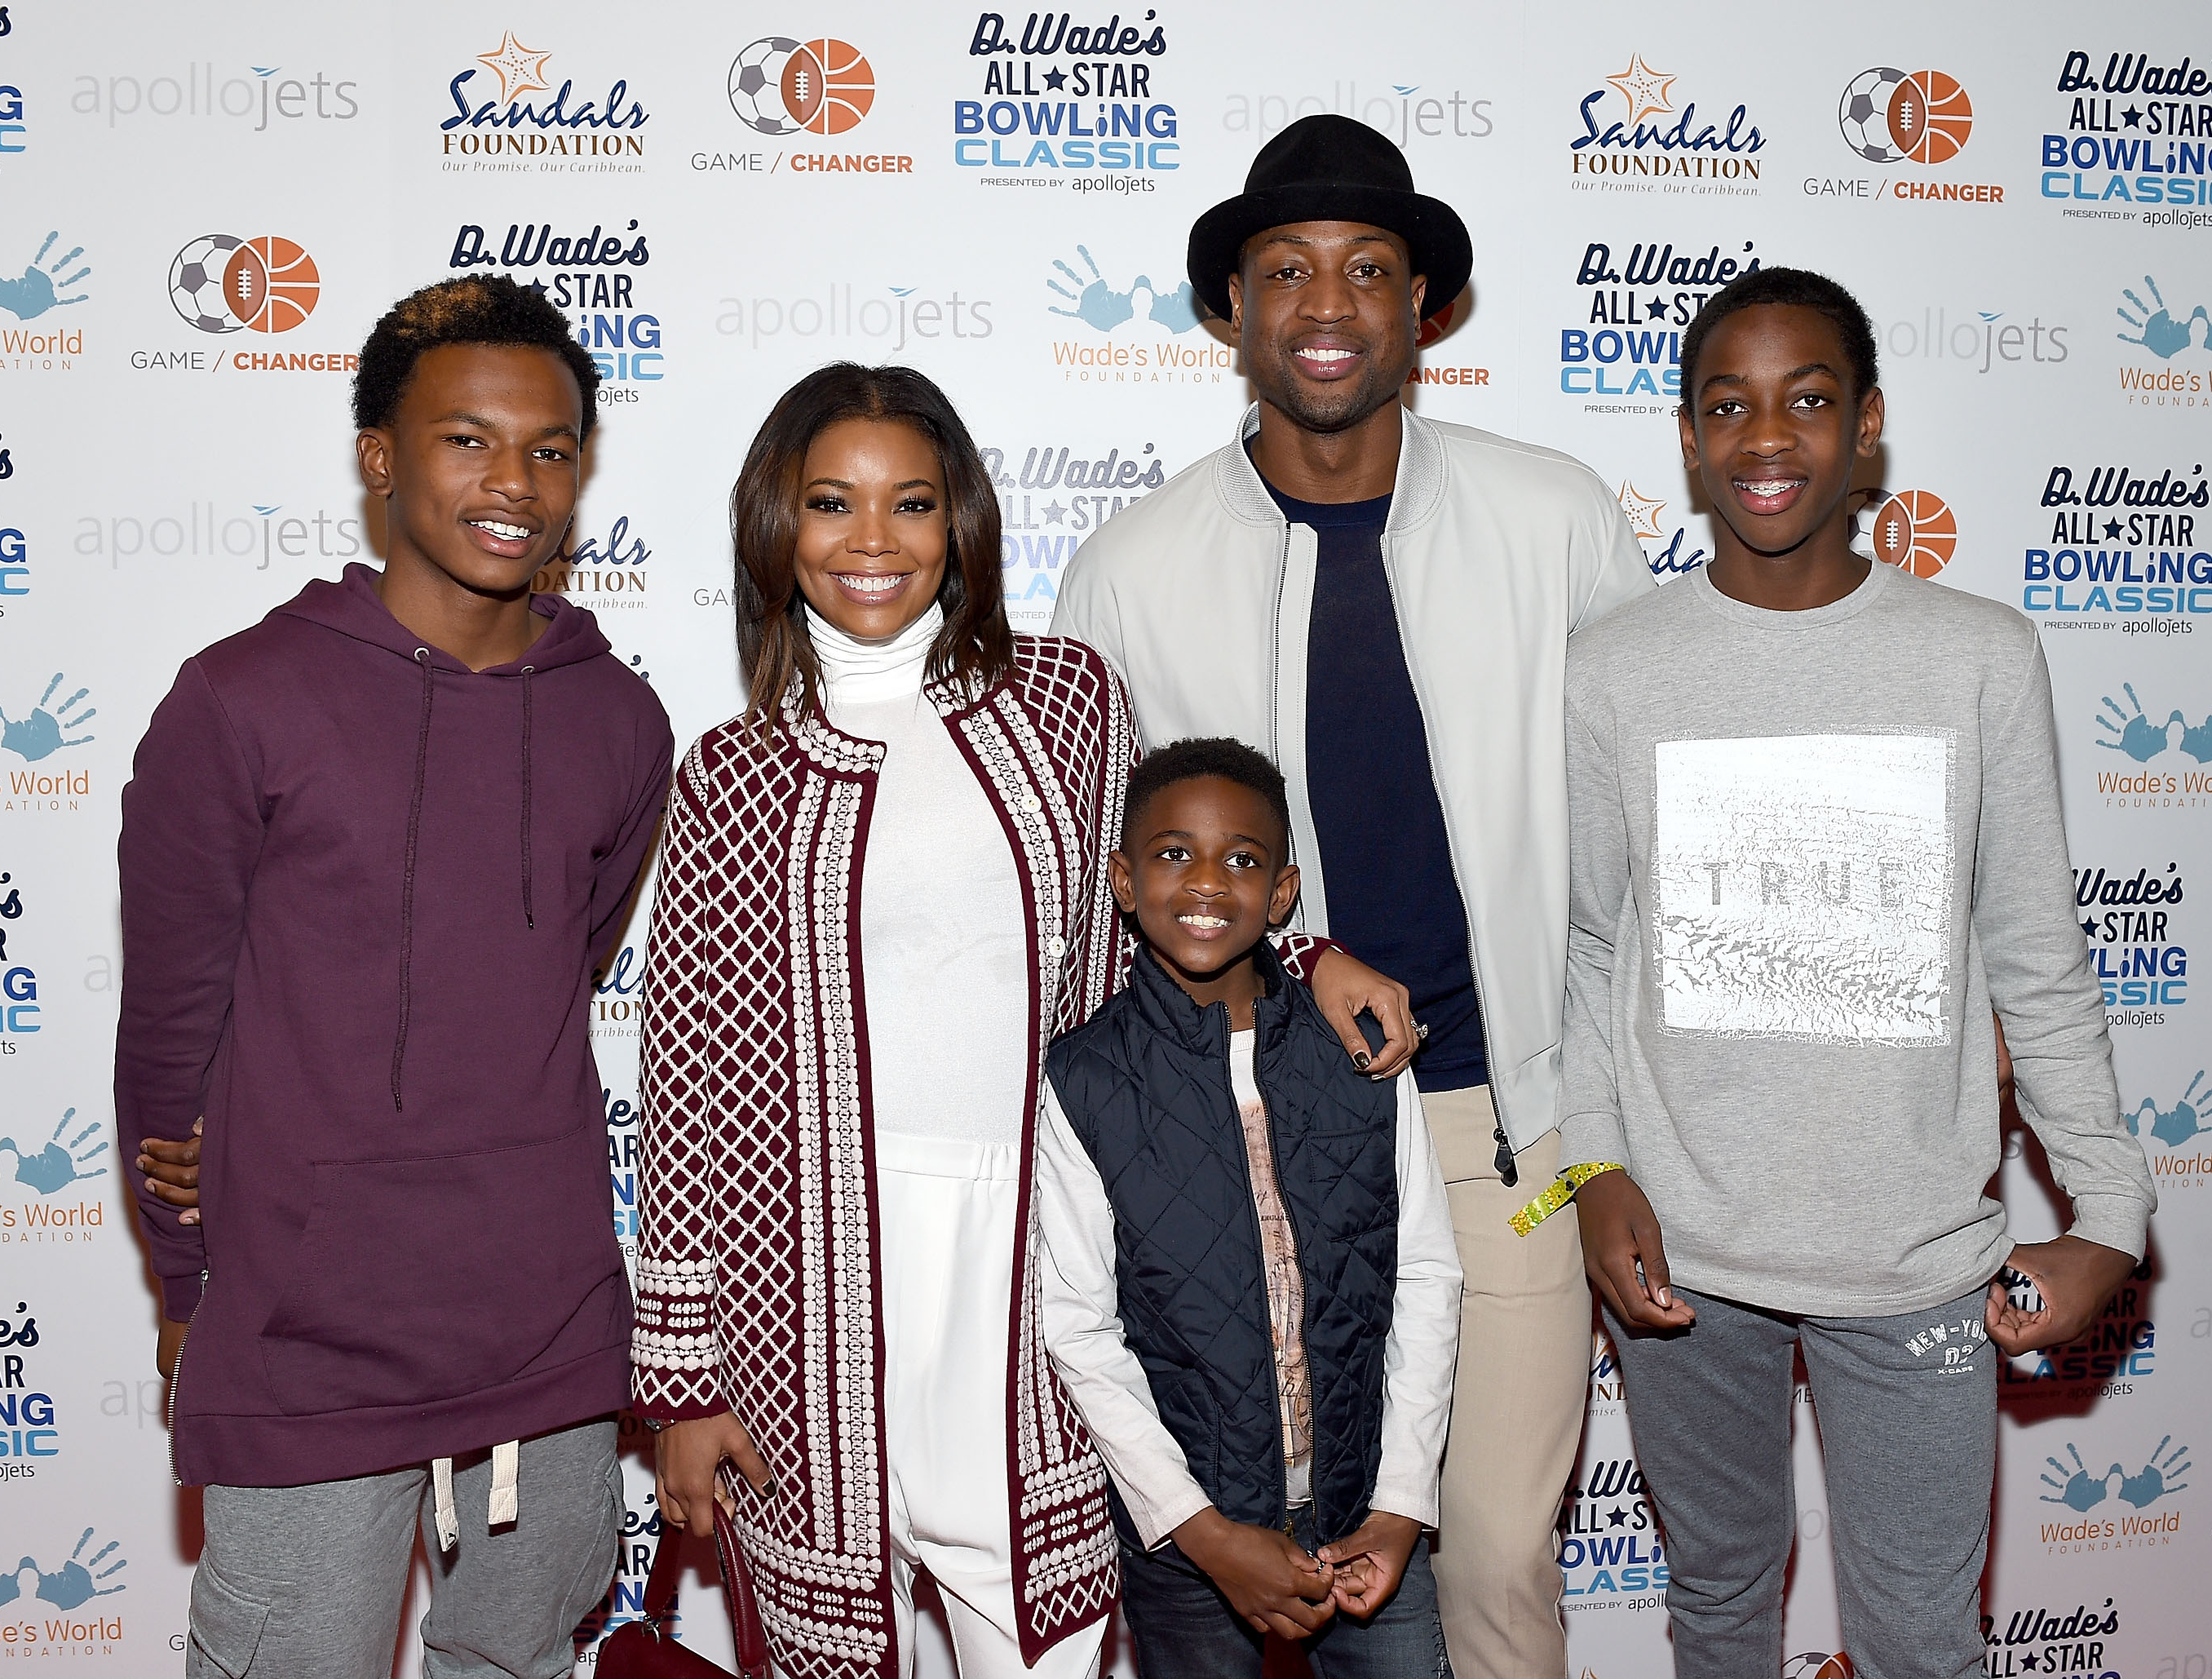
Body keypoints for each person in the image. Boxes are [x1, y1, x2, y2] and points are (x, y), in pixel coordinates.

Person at [628, 365, 1416, 1679]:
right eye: (832, 502)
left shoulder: (1067, 702)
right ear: (777, 522)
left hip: (1038, 1267)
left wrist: (1312, 950)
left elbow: (1183, 886)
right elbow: (690, 1096)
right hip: (808, 1304)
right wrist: (685, 1383)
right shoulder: (732, 767)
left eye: (912, 503)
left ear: (964, 524)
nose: (872, 540)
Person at [1050, 113, 1652, 1679]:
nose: (1328, 304)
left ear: (1424, 307)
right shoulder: (1131, 567)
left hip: (1494, 1120)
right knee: (1260, 1564)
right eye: (1288, 271)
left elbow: (1647, 836)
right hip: (1248, 1137)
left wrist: (1612, 1121)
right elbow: (1116, 875)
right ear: (1232, 310)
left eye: (1369, 269)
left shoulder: (1559, 520)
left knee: (1498, 1559)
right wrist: (1302, 950)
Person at [1559, 268, 2157, 1679]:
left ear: (1869, 426)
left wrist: (2111, 1210)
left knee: (1918, 1641)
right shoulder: (1611, 667)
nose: (1770, 436)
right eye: (1731, 404)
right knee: (1715, 1604)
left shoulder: (1981, 656)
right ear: (1692, 440)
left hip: (1918, 1263)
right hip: (1685, 1266)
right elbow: (1591, 945)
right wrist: (1596, 1167)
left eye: (1810, 399)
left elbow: (2037, 957)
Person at [115, 273, 673, 1678]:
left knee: (521, 1660)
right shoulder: (240, 700)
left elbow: (562, 966)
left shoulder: (619, 716)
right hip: (306, 1327)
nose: (515, 481)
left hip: (545, 1325)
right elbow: (172, 1030)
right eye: (467, 438)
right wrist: (190, 1282)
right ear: (379, 457)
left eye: (551, 448)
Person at [1037, 738, 1462, 1679]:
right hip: (1192, 1540)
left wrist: (1400, 1502)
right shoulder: (1081, 1080)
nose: (1205, 882)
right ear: (1122, 878)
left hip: (1364, 1513)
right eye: (1172, 853)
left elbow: (1425, 1273)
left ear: (1282, 894)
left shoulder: (1359, 1048)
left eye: (1241, 859)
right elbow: (1078, 1326)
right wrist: (1203, 1532)